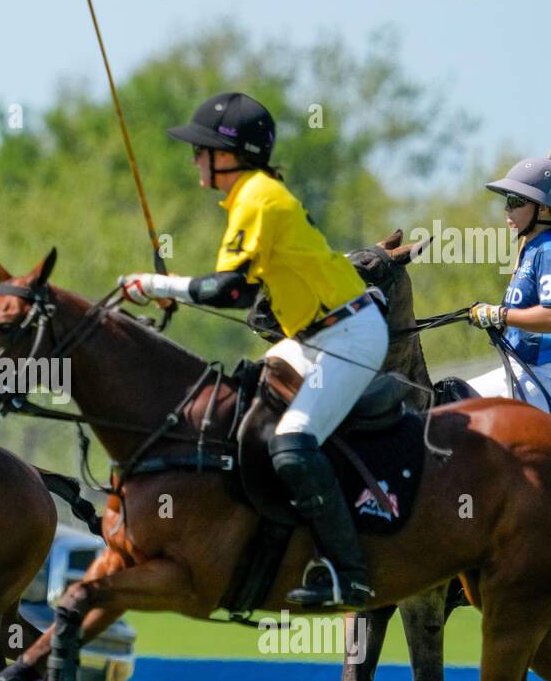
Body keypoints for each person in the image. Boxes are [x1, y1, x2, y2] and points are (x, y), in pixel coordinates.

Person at [117, 92, 389, 607]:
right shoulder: (248, 196)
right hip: (314, 336)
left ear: (230, 154)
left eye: (201, 149)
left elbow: (227, 291)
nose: (194, 158)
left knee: (291, 441)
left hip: (349, 336)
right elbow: (239, 292)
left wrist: (159, 284)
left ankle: (350, 574)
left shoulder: (258, 197)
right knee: (243, 412)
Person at [466, 158, 551, 417]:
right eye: (507, 200)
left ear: (544, 209)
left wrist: (499, 315)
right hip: (525, 369)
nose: (507, 209)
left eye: (515, 201)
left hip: (550, 377)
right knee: (450, 401)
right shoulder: (534, 249)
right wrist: (512, 322)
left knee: (486, 432)